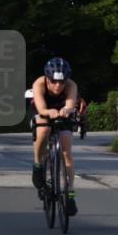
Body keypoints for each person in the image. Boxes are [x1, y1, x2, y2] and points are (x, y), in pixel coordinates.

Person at [31, 57, 80, 215]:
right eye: (54, 81)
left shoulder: (71, 85)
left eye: (62, 82)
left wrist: (67, 110)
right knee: (44, 130)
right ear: (47, 78)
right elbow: (41, 108)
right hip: (43, 110)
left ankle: (70, 194)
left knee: (66, 148)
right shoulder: (39, 84)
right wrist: (47, 112)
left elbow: (70, 104)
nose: (58, 85)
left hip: (62, 112)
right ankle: (38, 164)